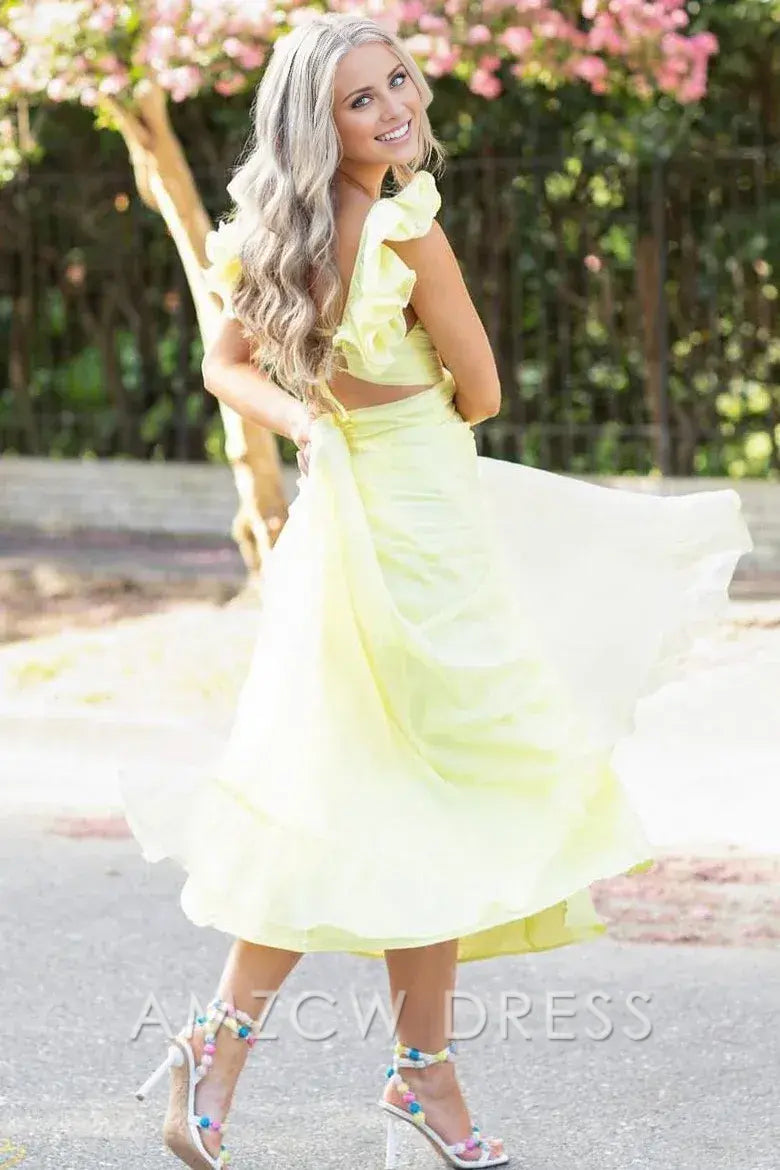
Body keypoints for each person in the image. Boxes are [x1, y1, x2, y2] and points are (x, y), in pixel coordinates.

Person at [123, 13, 753, 1170]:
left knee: (363, 787)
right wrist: (363, 415)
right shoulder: (411, 237)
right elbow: (482, 391)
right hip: (419, 521)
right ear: (320, 123)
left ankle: (306, 1061)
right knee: (415, 791)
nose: (395, 107)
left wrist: (309, 416)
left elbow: (226, 369)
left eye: (398, 82)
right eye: (364, 98)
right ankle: (359, 1066)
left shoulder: (268, 234)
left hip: (347, 516)